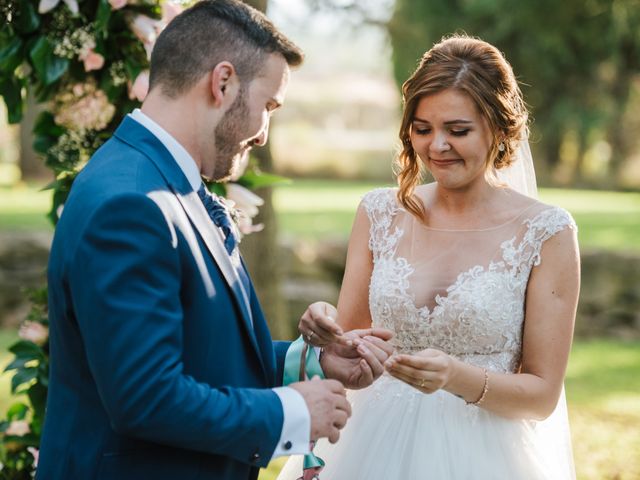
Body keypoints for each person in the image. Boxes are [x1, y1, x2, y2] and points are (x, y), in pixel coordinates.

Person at [37, 2, 394, 479]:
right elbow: (146, 397)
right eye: (268, 106)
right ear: (222, 82)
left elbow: (194, 352)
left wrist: (310, 362)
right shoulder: (131, 204)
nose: (264, 134)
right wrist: (290, 412)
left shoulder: (160, 180)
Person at [278, 35, 580, 479]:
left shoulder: (545, 231)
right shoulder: (378, 213)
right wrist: (323, 330)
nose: (437, 146)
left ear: (499, 129)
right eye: (422, 129)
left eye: (457, 131)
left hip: (486, 454)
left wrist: (456, 377)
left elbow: (542, 394)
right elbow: (350, 346)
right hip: (368, 445)